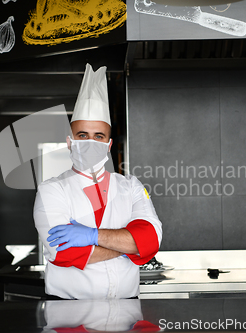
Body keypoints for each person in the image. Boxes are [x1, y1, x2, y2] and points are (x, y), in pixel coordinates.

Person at [33, 63, 162, 300]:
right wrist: (128, 248)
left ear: (109, 145)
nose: (91, 142)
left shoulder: (131, 186)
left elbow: (151, 240)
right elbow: (64, 253)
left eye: (99, 136)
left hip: (126, 311)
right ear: (70, 142)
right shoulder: (51, 189)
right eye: (83, 135)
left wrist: (93, 236)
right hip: (70, 313)